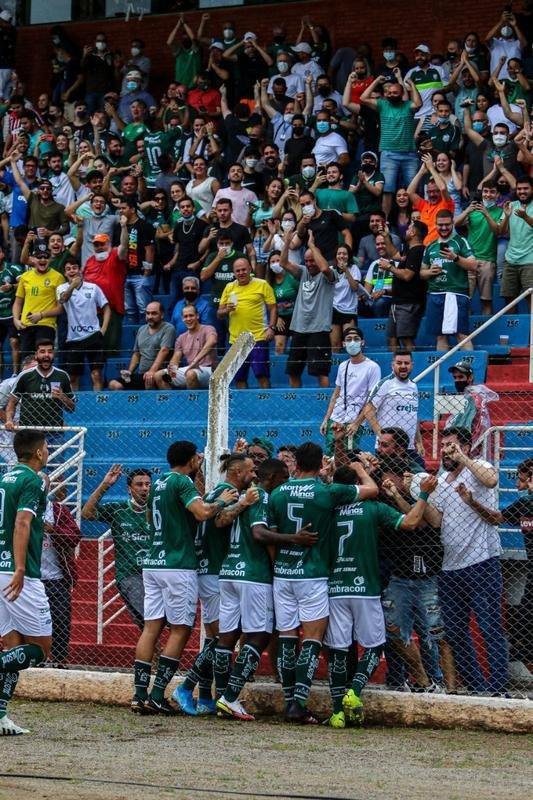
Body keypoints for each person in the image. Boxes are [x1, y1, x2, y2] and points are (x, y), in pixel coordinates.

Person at [268, 442, 378, 724]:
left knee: (287, 638)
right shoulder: (326, 492)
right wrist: (358, 469)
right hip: (312, 572)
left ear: (295, 463)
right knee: (313, 639)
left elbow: (269, 534)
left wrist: (279, 562)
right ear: (320, 464)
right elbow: (372, 491)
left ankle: (290, 699)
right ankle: (298, 705)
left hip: (283, 572)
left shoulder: (277, 493)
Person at [324, 466, 439, 728]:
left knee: (338, 650)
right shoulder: (373, 508)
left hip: (335, 587)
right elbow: (410, 523)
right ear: (357, 485)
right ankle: (354, 691)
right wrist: (423, 494)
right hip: (364, 587)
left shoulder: (327, 511)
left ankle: (337, 711)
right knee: (375, 646)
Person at [131, 440, 238, 715]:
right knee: (181, 629)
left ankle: (139, 694)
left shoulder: (157, 484)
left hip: (153, 562)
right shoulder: (181, 482)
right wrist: (220, 502)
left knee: (151, 627)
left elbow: (149, 521)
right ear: (191, 460)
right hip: (177, 564)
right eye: (196, 459)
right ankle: (157, 695)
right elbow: (202, 512)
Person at [215, 457, 318, 721]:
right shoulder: (260, 495)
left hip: (229, 571)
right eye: (284, 478)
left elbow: (221, 521)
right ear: (273, 478)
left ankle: (223, 696)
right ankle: (229, 697)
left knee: (226, 638)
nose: (287, 483)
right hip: (253, 574)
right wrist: (294, 539)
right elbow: (260, 534)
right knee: (260, 635)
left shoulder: (243, 495)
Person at [172, 453, 259, 717]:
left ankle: (208, 697)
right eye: (251, 470)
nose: (254, 475)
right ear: (237, 473)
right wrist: (243, 504)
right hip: (214, 571)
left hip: (207, 570)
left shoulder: (214, 492)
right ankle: (187, 687)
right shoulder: (230, 494)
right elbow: (221, 520)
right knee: (223, 639)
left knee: (215, 639)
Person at [424, 427, 508, 695]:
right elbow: (436, 520)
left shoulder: (478, 466)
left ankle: (497, 689)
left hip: (482, 561)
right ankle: (477, 687)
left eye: (451, 445)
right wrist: (417, 495)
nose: (446, 451)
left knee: (489, 627)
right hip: (450, 568)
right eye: (444, 446)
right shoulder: (443, 479)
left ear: (466, 446)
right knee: (456, 632)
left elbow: (492, 480)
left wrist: (464, 459)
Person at [0, 429, 51, 735]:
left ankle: (0, 715)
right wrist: (20, 567)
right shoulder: (30, 480)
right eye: (46, 447)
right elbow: (22, 522)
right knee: (41, 648)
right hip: (19, 573)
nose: (47, 452)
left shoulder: (5, 478)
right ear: (38, 453)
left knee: (13, 644)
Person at [81, 464, 152, 630]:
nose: (144, 488)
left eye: (148, 484)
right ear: (129, 489)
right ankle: (152, 653)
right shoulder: (118, 509)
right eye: (139, 484)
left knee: (148, 624)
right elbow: (87, 513)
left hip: (157, 574)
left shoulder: (159, 510)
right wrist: (105, 485)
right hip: (130, 574)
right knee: (149, 620)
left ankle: (153, 654)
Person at [279, 232, 338, 389]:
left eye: (312, 260)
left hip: (319, 330)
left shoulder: (330, 274)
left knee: (321, 373)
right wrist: (287, 242)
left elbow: (324, 268)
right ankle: (297, 405)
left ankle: (323, 406)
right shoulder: (303, 272)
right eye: (306, 261)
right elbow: (283, 263)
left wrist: (312, 245)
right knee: (293, 371)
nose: (310, 264)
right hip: (299, 328)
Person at [360, 75, 422, 216]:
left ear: (401, 94)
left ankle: (416, 220)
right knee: (387, 191)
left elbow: (418, 104)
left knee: (412, 190)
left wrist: (411, 83)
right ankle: (385, 221)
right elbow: (363, 98)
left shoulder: (408, 106)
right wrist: (376, 81)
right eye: (389, 92)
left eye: (395, 92)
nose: (391, 95)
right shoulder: (382, 104)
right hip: (389, 154)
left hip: (409, 154)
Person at [495, 458, 533, 688]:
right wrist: (470, 502)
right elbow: (498, 517)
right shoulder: (524, 504)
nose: (517, 485)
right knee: (523, 626)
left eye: (521, 480)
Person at [420, 209, 478, 351]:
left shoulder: (460, 241)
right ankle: (442, 372)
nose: (444, 228)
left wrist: (455, 258)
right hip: (435, 295)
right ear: (435, 224)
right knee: (440, 336)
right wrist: (430, 272)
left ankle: (470, 370)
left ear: (452, 223)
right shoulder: (430, 246)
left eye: (447, 224)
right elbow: (421, 273)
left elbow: (474, 265)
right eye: (440, 225)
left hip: (456, 293)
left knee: (461, 334)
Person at [320, 326, 381, 455]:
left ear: (362, 342)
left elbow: (370, 400)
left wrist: (357, 423)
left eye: (356, 339)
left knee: (348, 456)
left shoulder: (372, 367)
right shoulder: (343, 366)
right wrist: (326, 419)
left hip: (354, 419)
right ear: (343, 343)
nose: (352, 342)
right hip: (336, 418)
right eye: (349, 339)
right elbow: (336, 394)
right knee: (329, 456)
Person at [218, 259, 276, 389]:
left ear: (250, 269)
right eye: (237, 271)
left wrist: (271, 328)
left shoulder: (262, 284)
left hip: (259, 337)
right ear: (233, 273)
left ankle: (266, 405)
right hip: (237, 340)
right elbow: (219, 313)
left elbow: (273, 308)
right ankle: (244, 407)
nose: (241, 273)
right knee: (239, 377)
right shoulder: (229, 287)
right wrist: (227, 310)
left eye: (244, 269)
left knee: (262, 375)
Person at [41, 480, 81, 667]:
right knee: (32, 620)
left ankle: (59, 660)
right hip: (29, 577)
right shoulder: (20, 509)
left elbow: (75, 536)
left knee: (60, 619)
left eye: (42, 484)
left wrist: (53, 530)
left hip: (56, 576)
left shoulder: (57, 511)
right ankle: (36, 658)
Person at [5, 340, 75, 442]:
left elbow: (72, 409)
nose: (46, 355)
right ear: (36, 354)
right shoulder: (25, 376)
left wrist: (62, 397)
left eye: (50, 352)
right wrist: (9, 420)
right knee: (28, 459)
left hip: (54, 434)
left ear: (53, 354)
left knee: (56, 458)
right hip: (28, 433)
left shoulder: (62, 376)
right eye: (42, 351)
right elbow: (12, 402)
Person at [57, 257, 110, 391]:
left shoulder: (93, 288)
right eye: (68, 269)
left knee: (96, 374)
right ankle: (76, 408)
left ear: (80, 270)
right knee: (73, 377)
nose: (71, 271)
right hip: (74, 338)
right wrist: (73, 286)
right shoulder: (61, 288)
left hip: (93, 336)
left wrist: (102, 330)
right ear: (64, 273)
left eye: (74, 268)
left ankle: (98, 406)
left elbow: (106, 308)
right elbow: (63, 300)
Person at [364, 350, 424, 463]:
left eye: (406, 363)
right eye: (399, 363)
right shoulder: (385, 383)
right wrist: (382, 437)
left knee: (420, 477)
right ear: (392, 365)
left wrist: (419, 442)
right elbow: (368, 411)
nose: (403, 366)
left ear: (412, 365)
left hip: (409, 448)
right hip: (389, 449)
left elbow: (413, 416)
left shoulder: (413, 386)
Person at [455, 182, 505, 316]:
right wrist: (467, 210)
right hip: (469, 260)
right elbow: (456, 224)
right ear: (482, 193)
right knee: (465, 299)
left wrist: (486, 213)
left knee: (486, 301)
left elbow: (498, 231)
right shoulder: (473, 210)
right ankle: (466, 332)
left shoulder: (501, 212)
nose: (488, 195)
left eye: (492, 192)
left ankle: (485, 332)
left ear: (498, 195)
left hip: (488, 260)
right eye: (486, 191)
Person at [12, 243, 64, 361]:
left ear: (50, 258)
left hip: (46, 325)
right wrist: (16, 319)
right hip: (26, 325)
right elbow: (18, 302)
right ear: (33, 259)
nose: (42, 260)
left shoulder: (58, 277)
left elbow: (60, 308)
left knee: (43, 360)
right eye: (39, 257)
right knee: (27, 362)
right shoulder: (25, 277)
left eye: (46, 257)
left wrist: (41, 315)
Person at [382, 219, 428, 351]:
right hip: (398, 302)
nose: (406, 231)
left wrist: (389, 267)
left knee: (405, 338)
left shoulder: (418, 251)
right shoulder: (409, 249)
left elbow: (408, 275)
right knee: (392, 338)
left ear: (413, 232)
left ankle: (413, 369)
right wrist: (386, 236)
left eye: (409, 229)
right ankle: (394, 368)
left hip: (409, 302)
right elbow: (394, 254)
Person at [109, 301, 175, 391]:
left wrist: (152, 371)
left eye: (154, 313)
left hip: (159, 374)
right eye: (148, 313)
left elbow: (164, 350)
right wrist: (129, 371)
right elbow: (137, 353)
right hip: (142, 375)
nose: (150, 316)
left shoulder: (168, 328)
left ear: (162, 315)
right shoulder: (141, 329)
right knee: (114, 384)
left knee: (149, 380)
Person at [155, 305, 217, 390]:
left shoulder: (208, 329)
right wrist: (172, 369)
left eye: (191, 315)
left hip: (209, 371)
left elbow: (212, 341)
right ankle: (173, 402)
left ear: (197, 316)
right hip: (191, 369)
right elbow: (176, 358)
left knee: (190, 374)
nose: (188, 319)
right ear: (182, 319)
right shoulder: (181, 338)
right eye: (185, 316)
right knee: (159, 375)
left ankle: (193, 402)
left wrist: (196, 361)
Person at [446, 360, 499, 456]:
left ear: (470, 378)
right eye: (455, 377)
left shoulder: (474, 397)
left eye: (461, 377)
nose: (457, 380)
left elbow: (478, 425)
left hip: (469, 445)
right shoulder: (463, 396)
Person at [117, 197, 155, 324]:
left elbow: (149, 250)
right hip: (124, 274)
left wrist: (146, 274)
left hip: (140, 274)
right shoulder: (119, 227)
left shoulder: (144, 226)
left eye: (123, 208)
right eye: (119, 208)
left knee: (145, 310)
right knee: (130, 310)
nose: (120, 211)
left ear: (132, 209)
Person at [500, 177, 533, 309]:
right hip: (511, 260)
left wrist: (525, 217)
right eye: (519, 189)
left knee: (531, 298)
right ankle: (510, 330)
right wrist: (507, 217)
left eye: (526, 188)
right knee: (509, 301)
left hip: (530, 261)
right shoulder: (511, 205)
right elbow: (500, 231)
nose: (522, 191)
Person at [0, 242, 22, 375]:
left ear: (2, 254)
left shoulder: (12, 268)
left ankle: (15, 374)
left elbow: (23, 282)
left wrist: (12, 287)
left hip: (11, 313)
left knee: (14, 342)